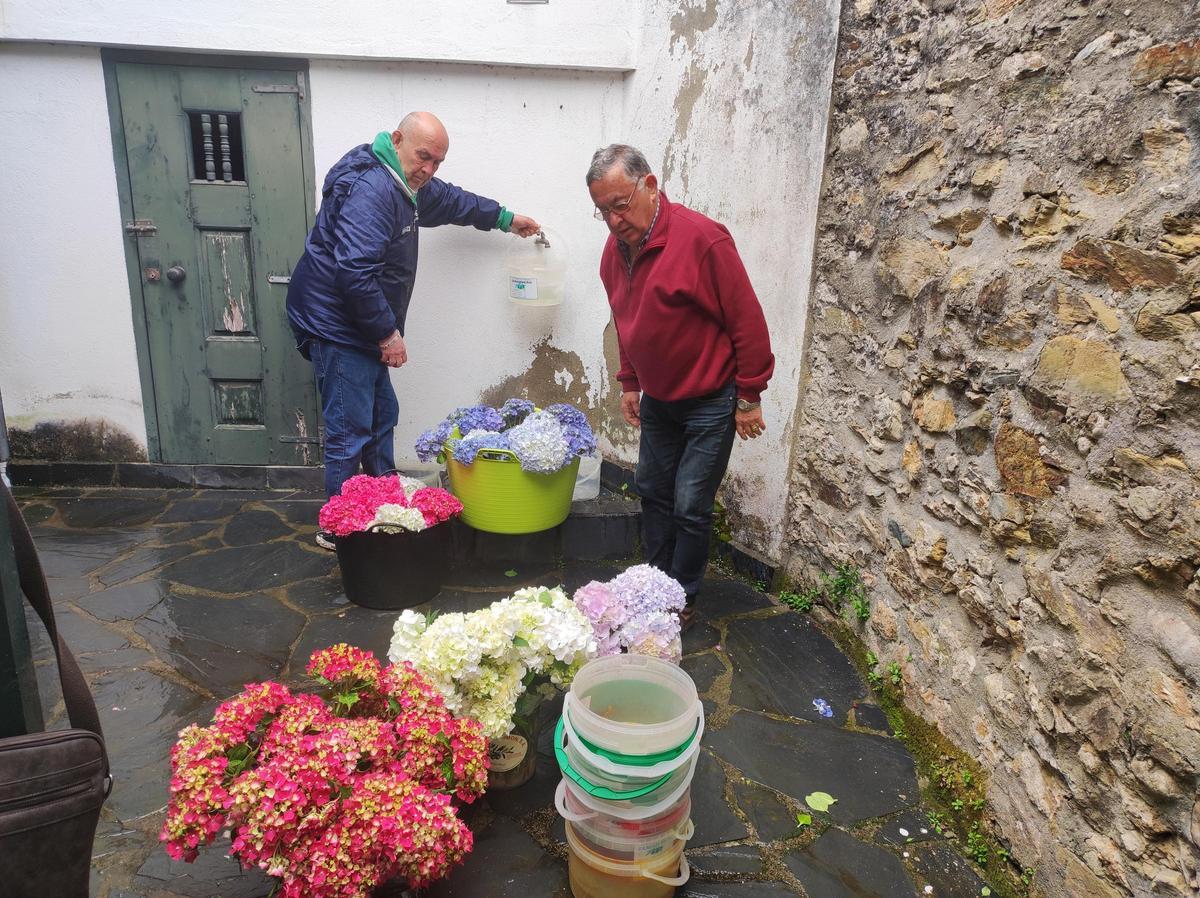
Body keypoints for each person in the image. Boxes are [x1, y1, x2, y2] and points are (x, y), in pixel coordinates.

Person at [287, 112, 539, 549]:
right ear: (398, 139)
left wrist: (505, 218)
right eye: (424, 156)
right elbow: (355, 272)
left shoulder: (406, 183)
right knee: (349, 430)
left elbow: (453, 201)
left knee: (381, 414)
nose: (429, 169)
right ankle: (340, 529)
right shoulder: (373, 189)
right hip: (338, 324)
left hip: (359, 323)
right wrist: (387, 334)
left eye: (437, 162)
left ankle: (382, 504)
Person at [586, 144, 774, 621]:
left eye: (620, 205)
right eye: (603, 211)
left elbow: (747, 321)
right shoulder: (614, 252)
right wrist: (630, 381)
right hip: (659, 399)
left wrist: (749, 396)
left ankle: (681, 598)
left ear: (650, 185)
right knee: (652, 490)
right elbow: (625, 319)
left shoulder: (703, 239)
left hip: (711, 399)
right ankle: (654, 583)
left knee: (691, 504)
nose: (613, 221)